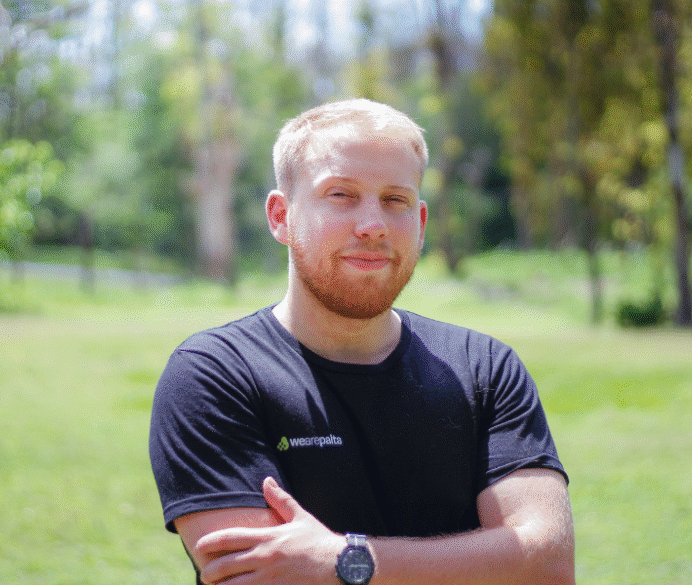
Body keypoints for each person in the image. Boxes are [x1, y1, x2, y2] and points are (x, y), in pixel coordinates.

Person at [149, 98, 574, 585]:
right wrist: (484, 561)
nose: (372, 225)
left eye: (395, 200)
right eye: (341, 195)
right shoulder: (213, 376)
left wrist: (346, 560)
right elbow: (264, 579)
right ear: (280, 216)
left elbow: (548, 565)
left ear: (420, 223)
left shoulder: (485, 369)